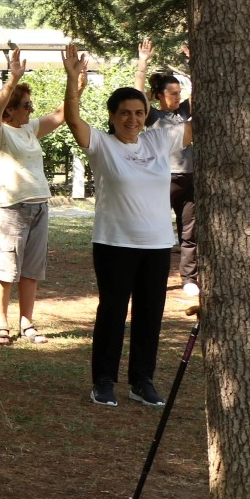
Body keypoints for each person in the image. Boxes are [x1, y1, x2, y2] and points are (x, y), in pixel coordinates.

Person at [64, 43, 192, 408]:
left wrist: (197, 71)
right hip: (114, 243)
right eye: (124, 113)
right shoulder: (103, 145)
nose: (132, 119)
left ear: (146, 113)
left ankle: (142, 381)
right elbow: (73, 120)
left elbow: (197, 121)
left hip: (156, 245)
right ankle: (103, 381)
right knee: (113, 312)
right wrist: (73, 80)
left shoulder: (158, 139)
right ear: (112, 115)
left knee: (150, 315)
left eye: (138, 113)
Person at [0, 49, 66, 346]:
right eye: (26, 106)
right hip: (10, 210)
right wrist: (13, 76)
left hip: (39, 206)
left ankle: (27, 324)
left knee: (30, 272)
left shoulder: (29, 129)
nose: (31, 110)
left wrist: (75, 81)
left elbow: (61, 115)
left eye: (31, 105)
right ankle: (0, 324)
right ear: (11, 110)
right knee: (6, 272)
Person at [136, 38, 198, 297]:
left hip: (189, 178)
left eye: (179, 93)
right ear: (160, 96)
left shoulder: (184, 112)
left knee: (190, 232)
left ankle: (189, 279)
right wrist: (143, 62)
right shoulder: (153, 115)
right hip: (162, 179)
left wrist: (193, 61)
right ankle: (153, 276)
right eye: (173, 93)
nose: (178, 96)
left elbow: (199, 91)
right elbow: (137, 95)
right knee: (157, 229)